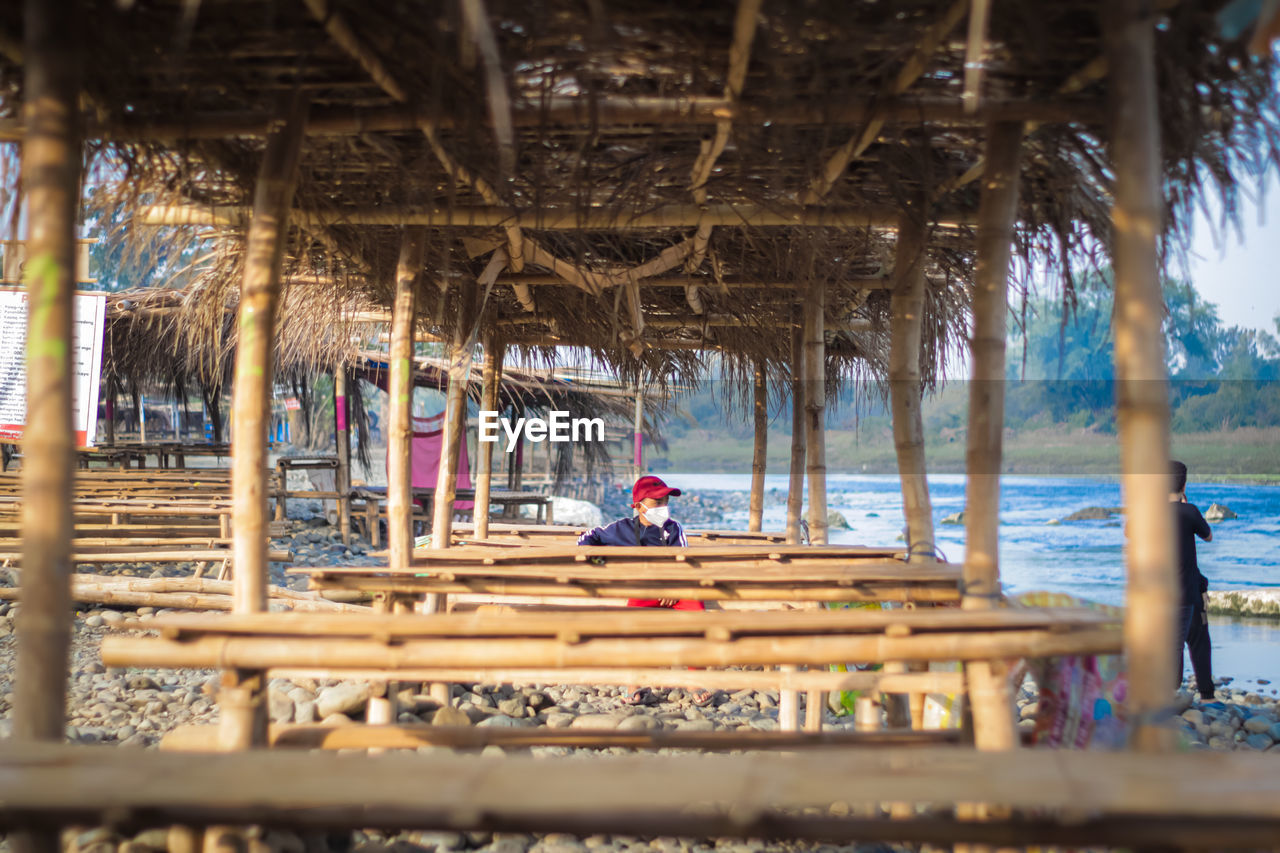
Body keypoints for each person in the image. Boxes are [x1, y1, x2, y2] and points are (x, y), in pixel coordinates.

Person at [577, 475, 710, 704]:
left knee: (698, 614)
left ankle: (695, 680)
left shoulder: (674, 528)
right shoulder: (620, 529)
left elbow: (685, 563)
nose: (663, 507)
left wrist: (674, 588)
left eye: (666, 502)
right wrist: (602, 564)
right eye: (657, 503)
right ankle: (635, 682)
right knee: (633, 626)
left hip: (674, 591)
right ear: (639, 506)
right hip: (642, 590)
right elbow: (586, 539)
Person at [1171, 460, 1215, 701]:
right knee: (1198, 638)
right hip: (1188, 592)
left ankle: (1171, 688)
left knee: (1172, 640)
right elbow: (1208, 535)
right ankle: (1207, 694)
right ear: (1184, 484)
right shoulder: (1189, 511)